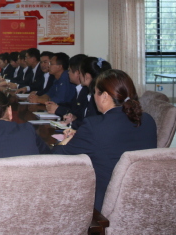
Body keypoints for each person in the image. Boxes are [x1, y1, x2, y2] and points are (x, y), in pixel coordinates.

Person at [52, 69, 157, 211]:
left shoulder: (94, 125)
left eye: (95, 92)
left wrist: (66, 140)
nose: (94, 97)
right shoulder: (148, 120)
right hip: (143, 199)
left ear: (105, 96)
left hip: (103, 203)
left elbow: (57, 158)